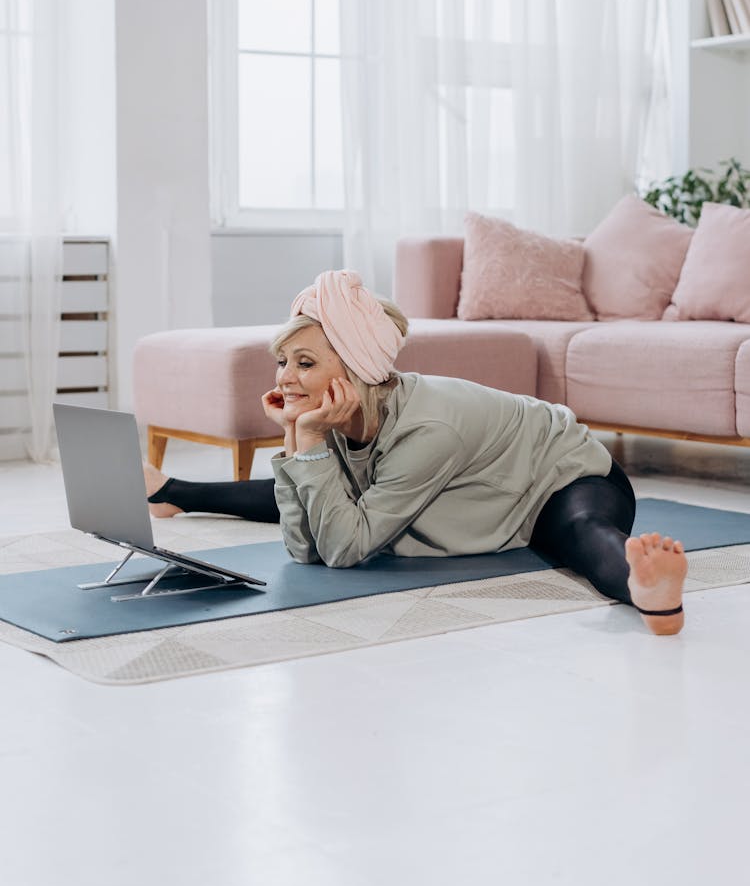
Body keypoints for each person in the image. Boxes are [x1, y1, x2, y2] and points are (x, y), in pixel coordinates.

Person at [145, 269, 688, 636]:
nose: (285, 379)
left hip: (564, 475)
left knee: (579, 533)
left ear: (355, 370)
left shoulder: (429, 428)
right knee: (334, 486)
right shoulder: (336, 412)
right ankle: (171, 492)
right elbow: (305, 547)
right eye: (282, 361)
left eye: (304, 363)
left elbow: (344, 550)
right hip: (484, 492)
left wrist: (304, 443)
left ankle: (649, 591)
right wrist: (298, 440)